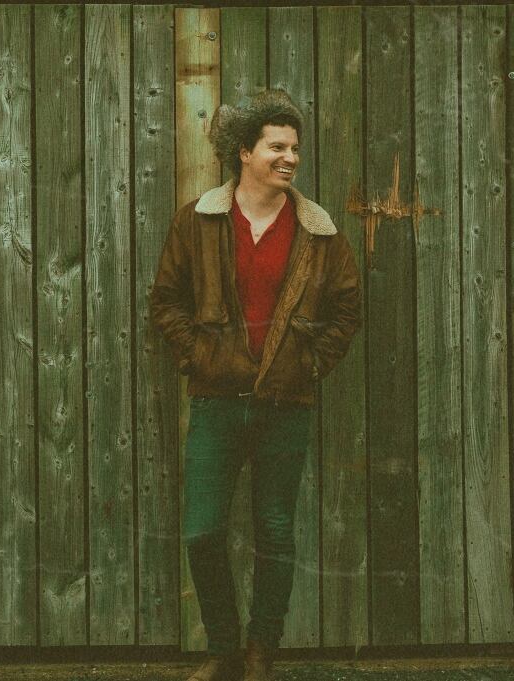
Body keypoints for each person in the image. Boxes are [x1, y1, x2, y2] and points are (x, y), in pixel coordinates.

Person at [150, 89, 362, 681]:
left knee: (274, 531)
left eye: (294, 147)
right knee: (202, 531)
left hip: (284, 403)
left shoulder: (318, 230)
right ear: (244, 152)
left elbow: (347, 309)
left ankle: (259, 652)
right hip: (217, 402)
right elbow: (167, 300)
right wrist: (198, 355)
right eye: (276, 146)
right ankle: (222, 648)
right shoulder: (198, 221)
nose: (290, 157)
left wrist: (311, 363)